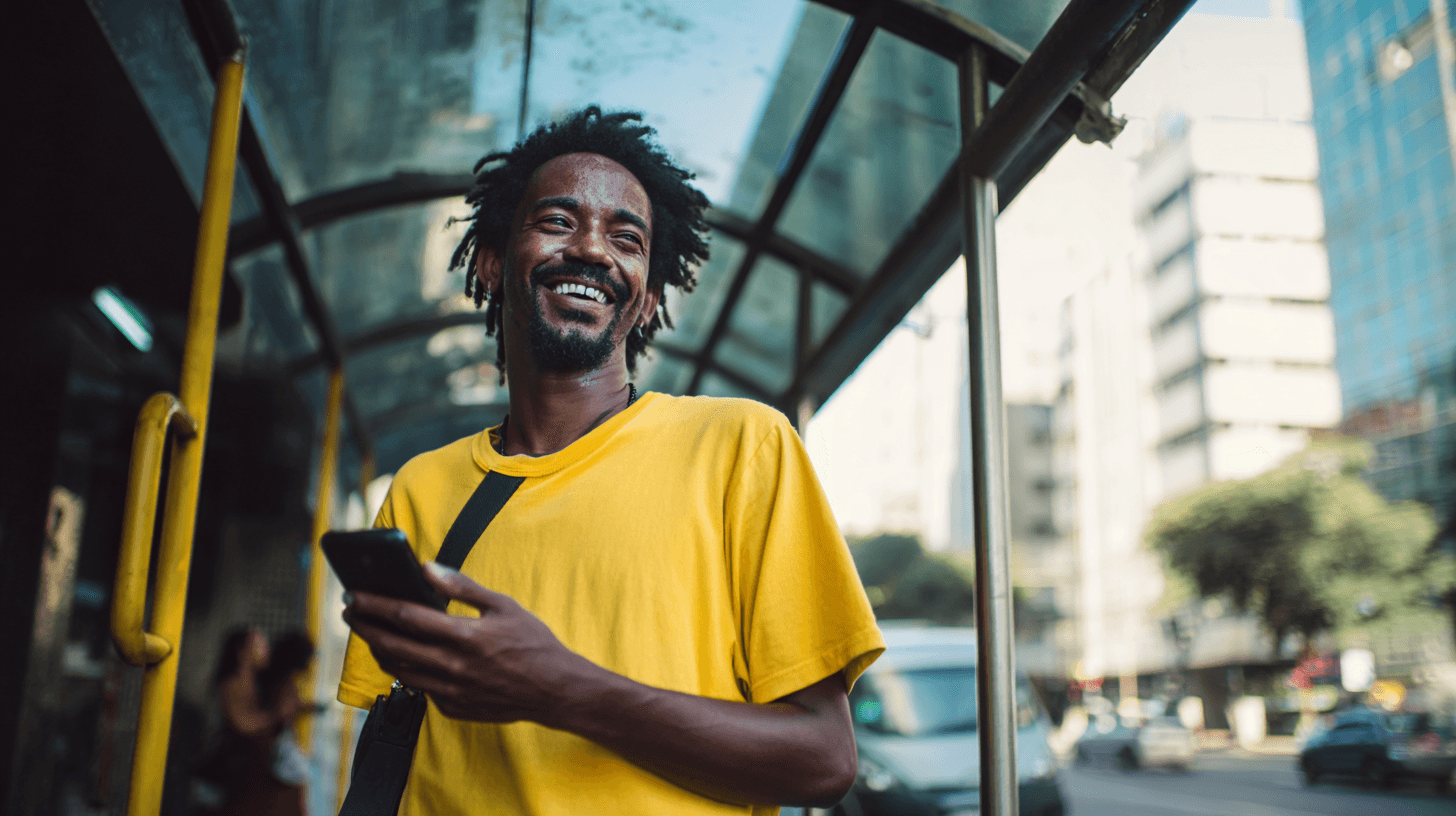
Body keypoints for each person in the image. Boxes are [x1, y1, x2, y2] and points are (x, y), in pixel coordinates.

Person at [338, 106, 884, 816]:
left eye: (626, 238)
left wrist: (560, 687)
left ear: (649, 295)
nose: (594, 249)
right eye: (558, 222)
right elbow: (399, 748)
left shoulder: (742, 448)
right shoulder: (421, 487)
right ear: (493, 259)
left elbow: (823, 760)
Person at [198, 628, 310, 816]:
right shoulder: (233, 683)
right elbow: (242, 724)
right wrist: (276, 716)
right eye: (259, 644)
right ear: (242, 652)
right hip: (235, 771)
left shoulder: (255, 681)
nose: (266, 648)